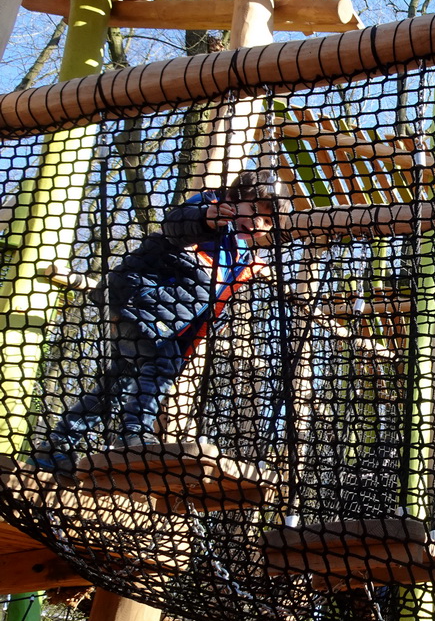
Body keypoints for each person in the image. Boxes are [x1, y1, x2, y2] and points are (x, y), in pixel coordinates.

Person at [31, 170, 281, 475]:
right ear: (232, 198)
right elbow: (176, 226)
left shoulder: (237, 253)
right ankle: (132, 435)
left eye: (267, 221)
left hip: (162, 321)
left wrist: (235, 294)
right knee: (161, 366)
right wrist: (206, 218)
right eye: (254, 210)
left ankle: (57, 447)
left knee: (118, 381)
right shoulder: (209, 210)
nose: (258, 223)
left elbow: (210, 296)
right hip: (139, 303)